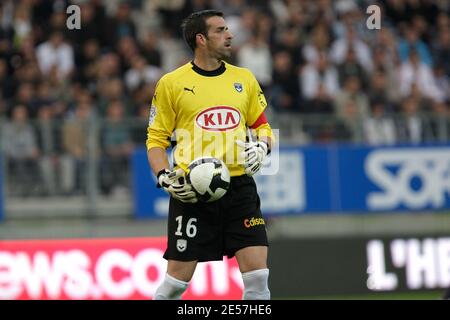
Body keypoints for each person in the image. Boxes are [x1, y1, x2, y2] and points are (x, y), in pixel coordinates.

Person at [146, 10, 274, 300]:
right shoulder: (171, 83)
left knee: (257, 279)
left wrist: (263, 146)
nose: (229, 35)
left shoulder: (244, 78)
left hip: (240, 189)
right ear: (200, 39)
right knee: (174, 285)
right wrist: (164, 176)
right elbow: (155, 139)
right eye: (220, 30)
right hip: (191, 192)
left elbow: (263, 126)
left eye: (227, 29)